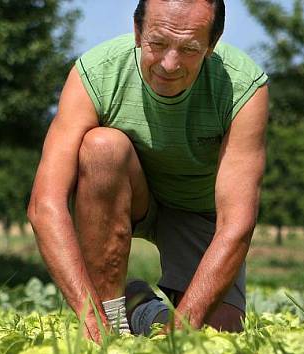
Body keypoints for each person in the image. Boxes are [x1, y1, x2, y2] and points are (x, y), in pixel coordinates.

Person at [27, 0, 268, 342]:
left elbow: (237, 224)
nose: (170, 64)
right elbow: (45, 205)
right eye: (158, 43)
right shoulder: (96, 73)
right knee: (101, 148)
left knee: (218, 334)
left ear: (212, 45)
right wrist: (89, 316)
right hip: (128, 193)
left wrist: (179, 332)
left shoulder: (244, 87)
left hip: (197, 210)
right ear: (138, 31)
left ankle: (140, 308)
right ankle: (111, 315)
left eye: (189, 48)